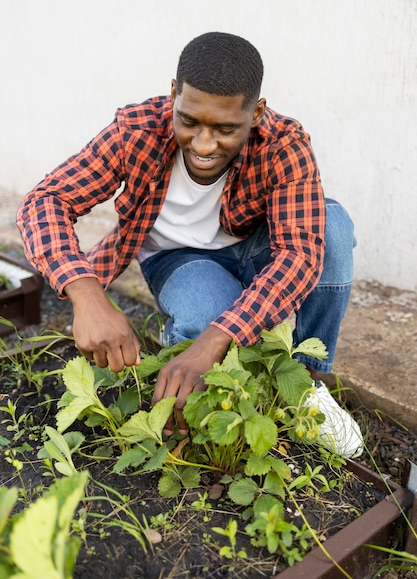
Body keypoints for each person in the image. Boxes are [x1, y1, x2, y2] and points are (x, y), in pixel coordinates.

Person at [17, 31, 363, 458]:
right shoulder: (137, 129)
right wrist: (87, 295)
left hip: (252, 243)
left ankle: (307, 382)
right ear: (174, 94)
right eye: (190, 121)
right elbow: (46, 200)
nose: (203, 144)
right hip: (176, 257)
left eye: (225, 129)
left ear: (256, 113)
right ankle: (182, 338)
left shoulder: (283, 143)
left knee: (331, 225)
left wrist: (216, 340)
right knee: (205, 317)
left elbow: (300, 254)